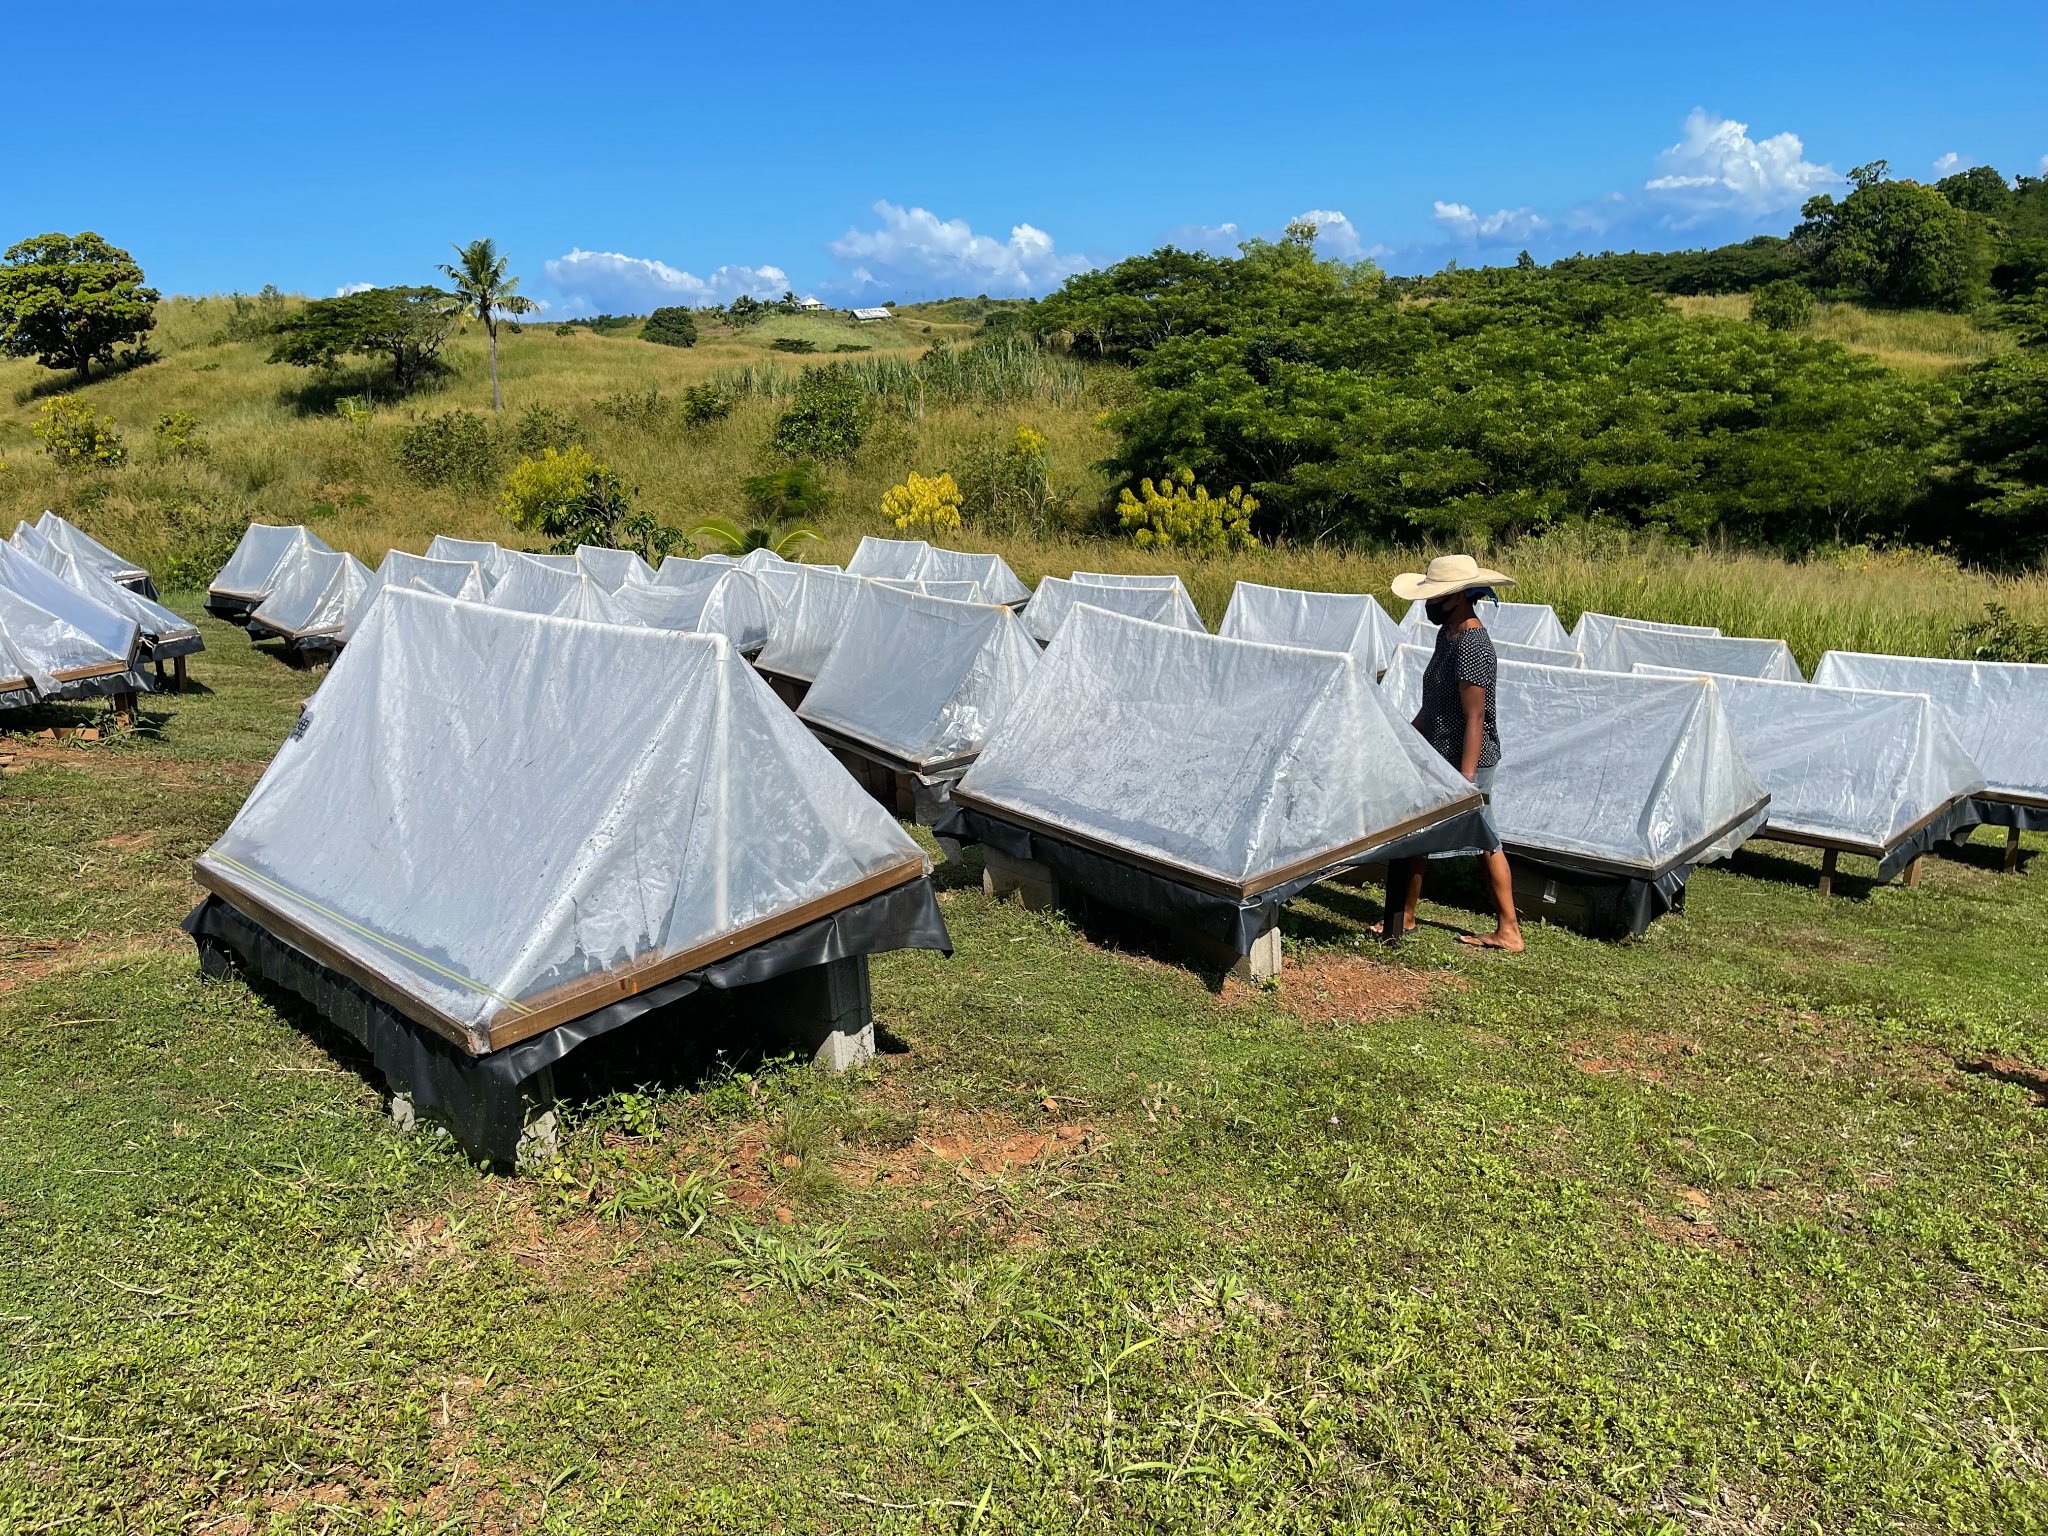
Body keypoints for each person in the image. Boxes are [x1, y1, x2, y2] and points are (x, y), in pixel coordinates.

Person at [1379, 554, 1523, 952]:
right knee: (1422, 830)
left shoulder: (1474, 644)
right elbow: (1435, 703)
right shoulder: (1449, 636)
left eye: (1437, 596)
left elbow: (1475, 717)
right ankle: (1404, 916)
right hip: (1438, 751)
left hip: (1468, 759)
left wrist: (1466, 779)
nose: (1429, 604)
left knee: (1485, 839)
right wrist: (1404, 737)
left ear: (1458, 598)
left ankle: (1509, 929)